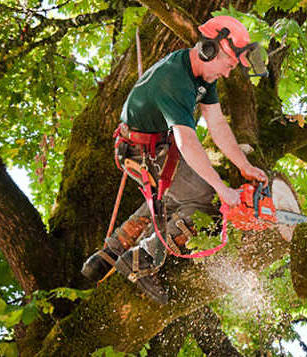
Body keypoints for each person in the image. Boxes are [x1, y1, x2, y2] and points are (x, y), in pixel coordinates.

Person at [81, 16, 268, 304]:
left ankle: (116, 247)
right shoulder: (175, 80)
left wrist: (245, 165)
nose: (229, 74)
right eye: (228, 65)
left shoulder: (201, 76)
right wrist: (222, 190)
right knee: (205, 200)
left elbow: (217, 124)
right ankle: (140, 261)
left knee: (180, 193)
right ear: (209, 50)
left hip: (158, 148)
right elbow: (188, 142)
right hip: (143, 151)